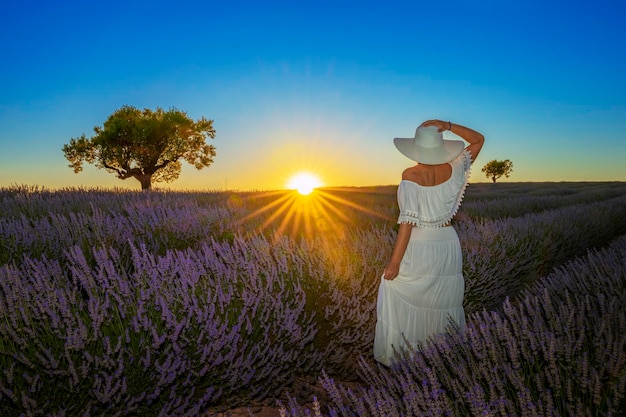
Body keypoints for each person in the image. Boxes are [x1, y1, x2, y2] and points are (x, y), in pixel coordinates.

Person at [373, 119, 484, 366]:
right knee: (443, 302)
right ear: (440, 146)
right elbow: (478, 140)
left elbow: (407, 223)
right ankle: (443, 358)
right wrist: (449, 125)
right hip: (447, 242)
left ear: (416, 147)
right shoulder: (456, 167)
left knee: (401, 290)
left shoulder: (411, 175)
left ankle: (410, 357)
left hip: (421, 242)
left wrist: (395, 262)